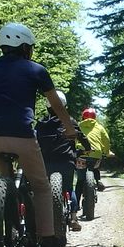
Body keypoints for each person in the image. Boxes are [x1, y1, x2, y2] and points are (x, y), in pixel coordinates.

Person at [0, 22, 81, 247]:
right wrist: (69, 128)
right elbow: (56, 104)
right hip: (22, 137)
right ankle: (48, 239)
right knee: (41, 186)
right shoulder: (36, 70)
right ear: (24, 46)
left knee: (4, 178)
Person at [35, 91, 91, 232]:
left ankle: (42, 219)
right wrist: (88, 148)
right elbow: (81, 137)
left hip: (45, 162)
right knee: (69, 188)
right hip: (66, 161)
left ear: (47, 107)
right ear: (64, 106)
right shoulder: (70, 121)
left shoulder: (41, 123)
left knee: (44, 190)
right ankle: (73, 218)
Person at [77, 108, 113, 191]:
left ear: (83, 117)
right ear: (94, 117)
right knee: (95, 167)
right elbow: (106, 140)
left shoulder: (78, 126)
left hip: (82, 153)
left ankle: (77, 198)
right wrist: (107, 152)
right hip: (96, 153)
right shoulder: (99, 127)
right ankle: (98, 180)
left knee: (80, 179)